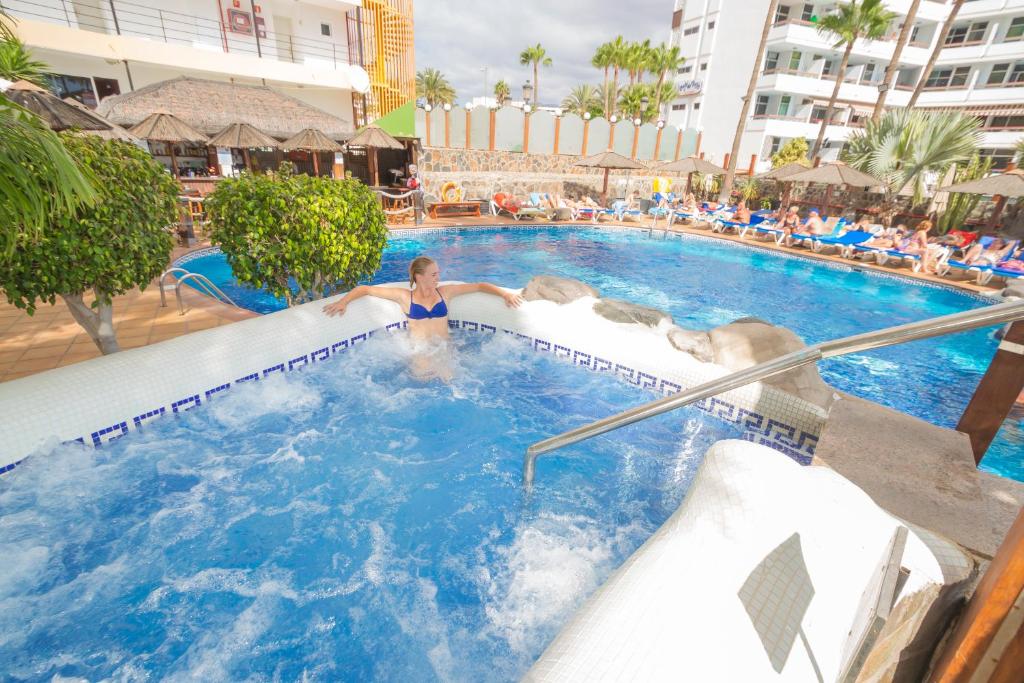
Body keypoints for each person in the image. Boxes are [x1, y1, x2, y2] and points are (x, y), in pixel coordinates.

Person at [323, 256, 524, 379]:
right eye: (434, 274)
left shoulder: (445, 293)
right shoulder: (405, 297)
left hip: (445, 349)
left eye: (438, 273)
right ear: (420, 277)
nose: (438, 277)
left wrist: (505, 295)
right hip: (420, 352)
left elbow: (479, 286)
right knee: (422, 380)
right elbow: (365, 289)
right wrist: (343, 302)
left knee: (453, 382)